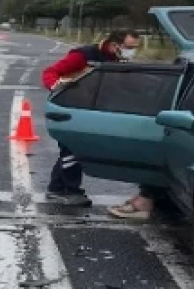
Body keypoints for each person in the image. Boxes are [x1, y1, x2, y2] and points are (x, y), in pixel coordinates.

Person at [41, 29, 140, 206]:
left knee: (73, 150)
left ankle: (56, 188)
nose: (131, 52)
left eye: (134, 48)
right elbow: (50, 72)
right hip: (71, 107)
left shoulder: (118, 59)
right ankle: (70, 190)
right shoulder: (83, 55)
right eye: (129, 47)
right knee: (71, 149)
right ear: (114, 44)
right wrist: (56, 85)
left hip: (92, 109)